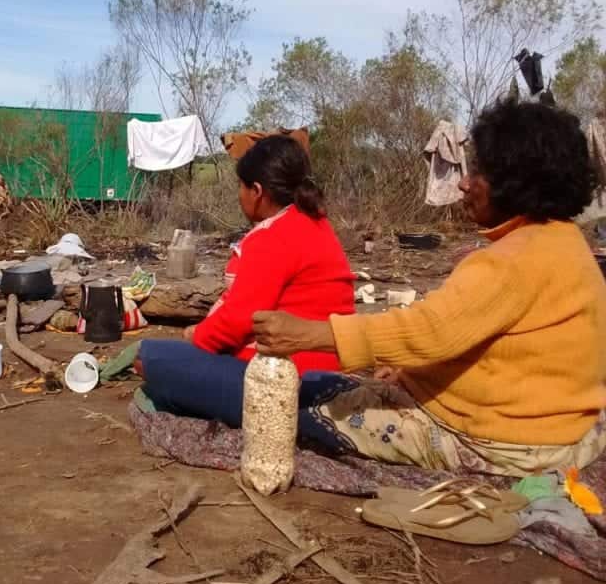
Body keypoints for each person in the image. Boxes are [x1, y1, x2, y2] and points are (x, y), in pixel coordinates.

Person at [254, 99, 606, 476]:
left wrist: (311, 334)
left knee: (295, 405)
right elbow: (471, 333)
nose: (464, 182)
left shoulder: (513, 260)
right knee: (324, 384)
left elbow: (430, 329)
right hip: (563, 430)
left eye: (479, 173)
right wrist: (410, 368)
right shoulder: (564, 242)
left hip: (508, 440)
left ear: (517, 184)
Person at [135, 135, 355, 427]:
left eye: (241, 186)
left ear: (257, 191)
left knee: (149, 357)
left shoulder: (272, 237)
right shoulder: (316, 222)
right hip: (329, 369)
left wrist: (196, 335)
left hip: (287, 382)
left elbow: (238, 321)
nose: (239, 195)